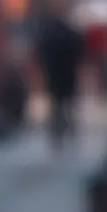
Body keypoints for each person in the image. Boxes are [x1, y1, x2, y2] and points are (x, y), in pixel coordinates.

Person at [34, 8, 84, 146]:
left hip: (54, 75)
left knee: (56, 105)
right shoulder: (71, 36)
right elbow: (80, 51)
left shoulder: (49, 37)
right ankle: (71, 131)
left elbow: (40, 54)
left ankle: (57, 133)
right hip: (69, 75)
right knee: (69, 105)